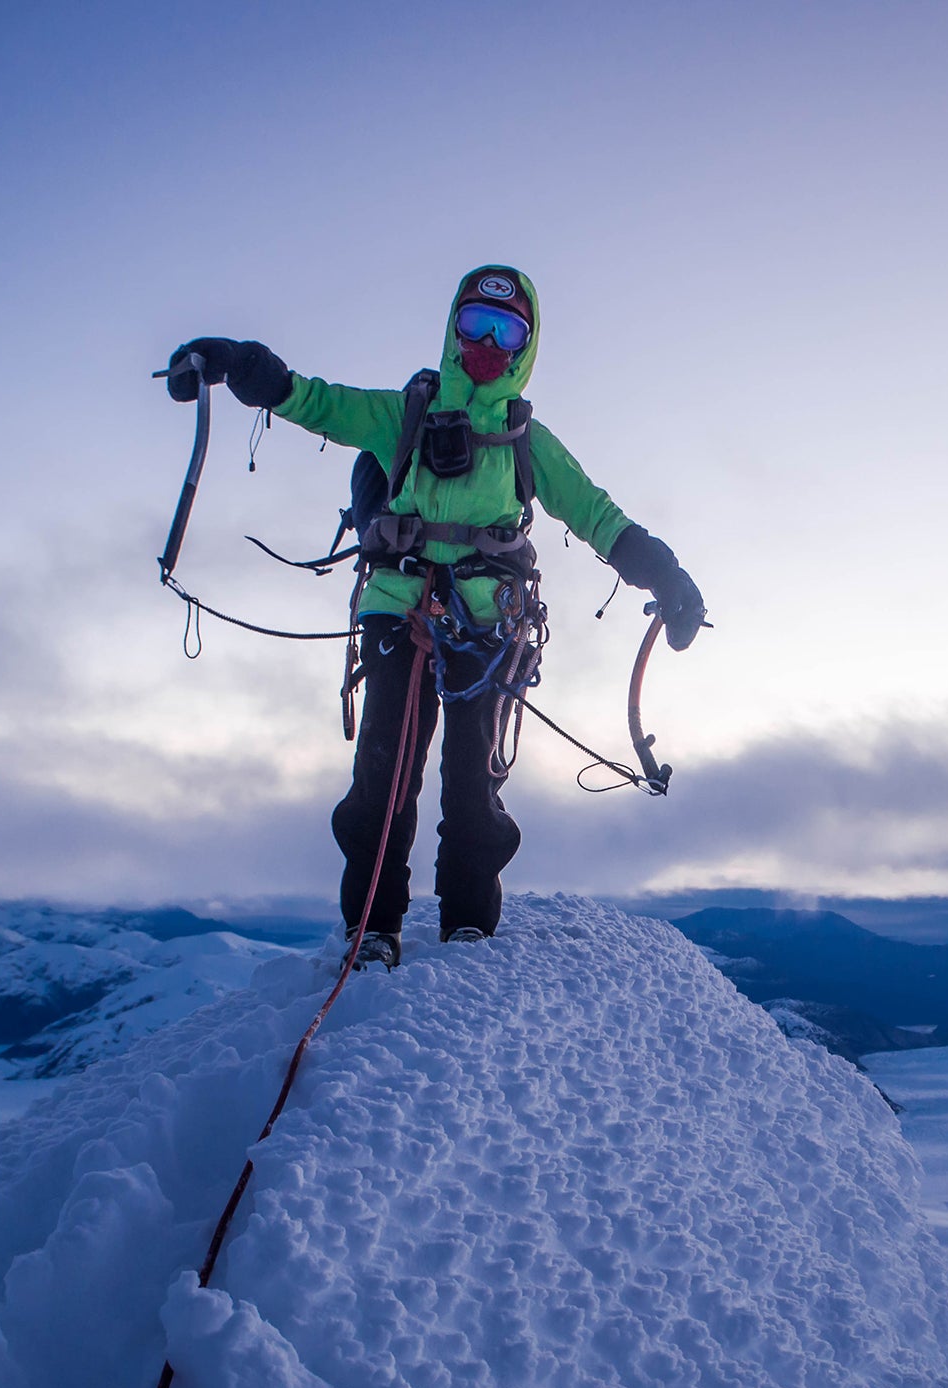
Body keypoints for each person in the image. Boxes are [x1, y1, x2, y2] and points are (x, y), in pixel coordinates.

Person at [167, 266, 704, 964]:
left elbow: (595, 513)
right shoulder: (404, 414)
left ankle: (468, 922)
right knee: (384, 771)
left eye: (505, 329)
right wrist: (239, 365)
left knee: (470, 780)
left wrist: (665, 572)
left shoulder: (524, 441)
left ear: (526, 346)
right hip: (401, 612)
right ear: (452, 330)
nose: (486, 341)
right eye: (474, 324)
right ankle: (373, 926)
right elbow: (318, 402)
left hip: (483, 624)